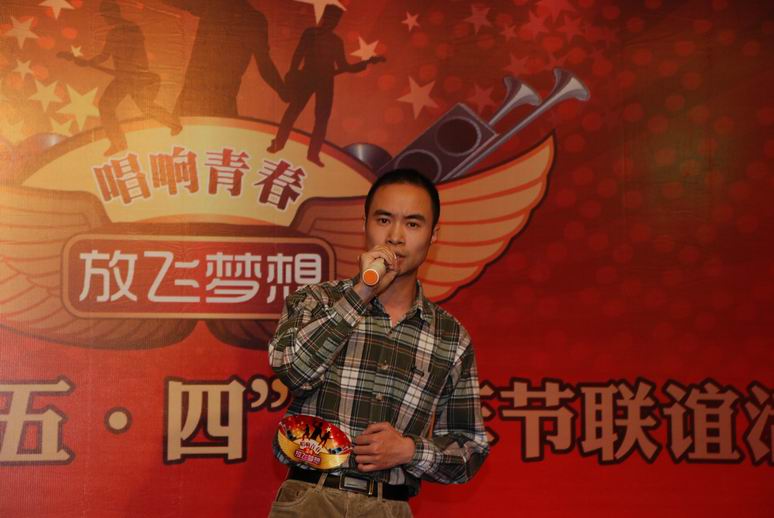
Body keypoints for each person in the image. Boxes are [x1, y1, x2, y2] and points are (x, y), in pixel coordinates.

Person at [268, 169, 489, 517]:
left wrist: (410, 451)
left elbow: (470, 449)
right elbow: (293, 370)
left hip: (389, 506)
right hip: (310, 497)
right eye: (384, 220)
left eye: (413, 224)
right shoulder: (316, 301)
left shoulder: (450, 337)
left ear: (433, 235)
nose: (396, 237)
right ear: (365, 224)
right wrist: (362, 293)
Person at [267, 5, 372, 167]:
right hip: (307, 77)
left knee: (321, 118)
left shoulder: (336, 41)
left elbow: (344, 66)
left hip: (326, 82)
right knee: (293, 111)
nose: (333, 22)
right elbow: (298, 53)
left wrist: (366, 63)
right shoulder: (311, 33)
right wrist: (292, 73)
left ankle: (313, 154)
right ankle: (278, 143)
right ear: (324, 17)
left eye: (336, 20)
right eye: (331, 18)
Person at [82, 0, 181, 156]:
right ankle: (119, 143)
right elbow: (104, 56)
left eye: (106, 15)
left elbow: (139, 55)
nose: (105, 19)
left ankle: (174, 124)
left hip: (134, 77)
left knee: (137, 107)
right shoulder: (113, 33)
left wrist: (135, 73)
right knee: (111, 106)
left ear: (114, 13)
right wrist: (89, 62)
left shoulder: (131, 29)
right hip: (124, 78)